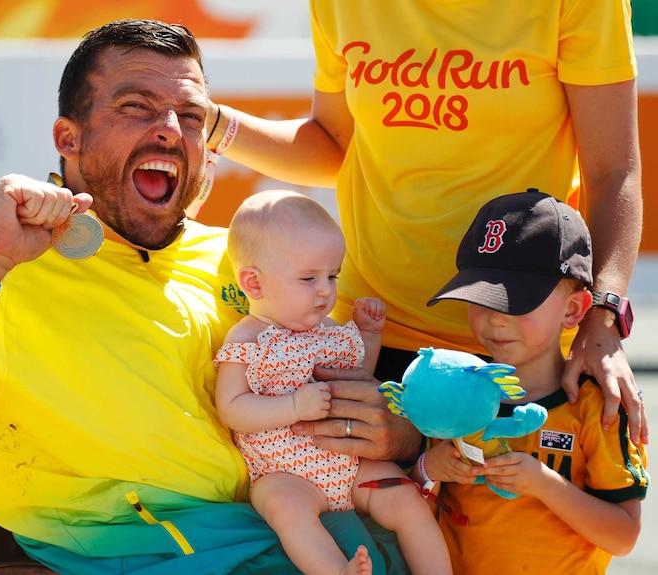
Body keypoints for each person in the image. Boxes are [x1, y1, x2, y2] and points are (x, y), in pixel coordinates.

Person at [0, 19, 419, 575]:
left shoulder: (252, 262)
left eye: (191, 115)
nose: (169, 126)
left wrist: (394, 431)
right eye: (135, 106)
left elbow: (357, 390)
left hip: (277, 532)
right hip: (121, 552)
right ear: (69, 137)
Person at [205, 0, 648, 445]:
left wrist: (604, 317)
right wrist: (209, 122)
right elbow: (334, 146)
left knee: (525, 512)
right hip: (369, 338)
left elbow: (612, 172)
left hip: (521, 342)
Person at [214, 190, 452, 575]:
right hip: (282, 471)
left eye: (332, 276)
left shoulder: (329, 330)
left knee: (408, 500)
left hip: (350, 464)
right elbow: (232, 408)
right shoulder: (246, 341)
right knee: (285, 511)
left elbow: (356, 378)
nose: (325, 290)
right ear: (254, 284)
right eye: (308, 278)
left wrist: (369, 336)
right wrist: (293, 406)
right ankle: (333, 570)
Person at [421, 189, 648, 573]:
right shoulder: (451, 391)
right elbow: (413, 508)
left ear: (574, 309)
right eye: (481, 301)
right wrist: (429, 470)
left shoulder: (597, 407)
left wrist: (544, 484)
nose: (495, 320)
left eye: (515, 302)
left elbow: (623, 536)